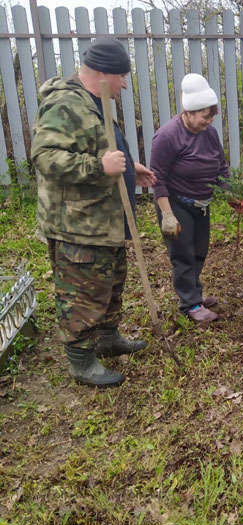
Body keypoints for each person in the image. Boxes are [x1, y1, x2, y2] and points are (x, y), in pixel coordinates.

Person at [32, 36, 156, 388]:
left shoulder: (94, 101)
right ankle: (80, 360)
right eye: (121, 77)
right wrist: (100, 167)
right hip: (78, 224)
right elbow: (45, 157)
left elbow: (97, 145)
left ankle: (106, 338)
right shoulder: (64, 104)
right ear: (104, 73)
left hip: (105, 220)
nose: (123, 85)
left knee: (110, 281)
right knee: (81, 293)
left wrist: (130, 167)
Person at [150, 73, 243, 323]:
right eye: (205, 116)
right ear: (189, 112)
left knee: (199, 251)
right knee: (182, 253)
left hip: (201, 204)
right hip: (176, 203)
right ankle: (189, 304)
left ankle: (195, 295)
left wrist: (229, 195)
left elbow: (220, 166)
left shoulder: (209, 134)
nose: (209, 121)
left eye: (212, 115)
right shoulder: (167, 136)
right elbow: (156, 177)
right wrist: (167, 214)